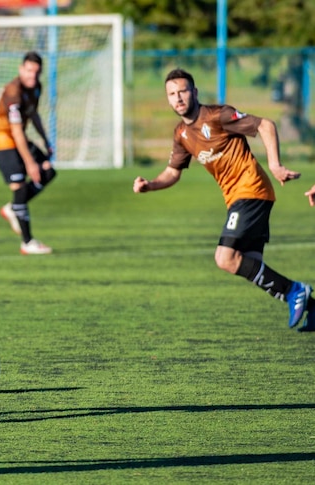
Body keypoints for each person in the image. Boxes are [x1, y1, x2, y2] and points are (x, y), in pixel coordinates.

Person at [133, 68, 315, 332]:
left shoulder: (218, 116)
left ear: (194, 92)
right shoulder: (181, 134)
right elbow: (173, 172)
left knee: (224, 257)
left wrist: (275, 165)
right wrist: (150, 185)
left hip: (251, 189)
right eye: (172, 94)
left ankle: (294, 290)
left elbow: (265, 125)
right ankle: (312, 308)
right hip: (238, 199)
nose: (178, 98)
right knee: (247, 262)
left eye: (183, 91)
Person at [0, 51, 56, 255]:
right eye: (28, 71)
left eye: (36, 72)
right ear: (21, 69)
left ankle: (14, 207)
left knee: (49, 171)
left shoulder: (36, 88)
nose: (32, 76)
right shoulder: (13, 92)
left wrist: (45, 139)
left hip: (19, 140)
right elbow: (16, 131)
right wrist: (30, 163)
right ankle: (27, 242)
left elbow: (33, 114)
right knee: (19, 185)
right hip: (2, 140)